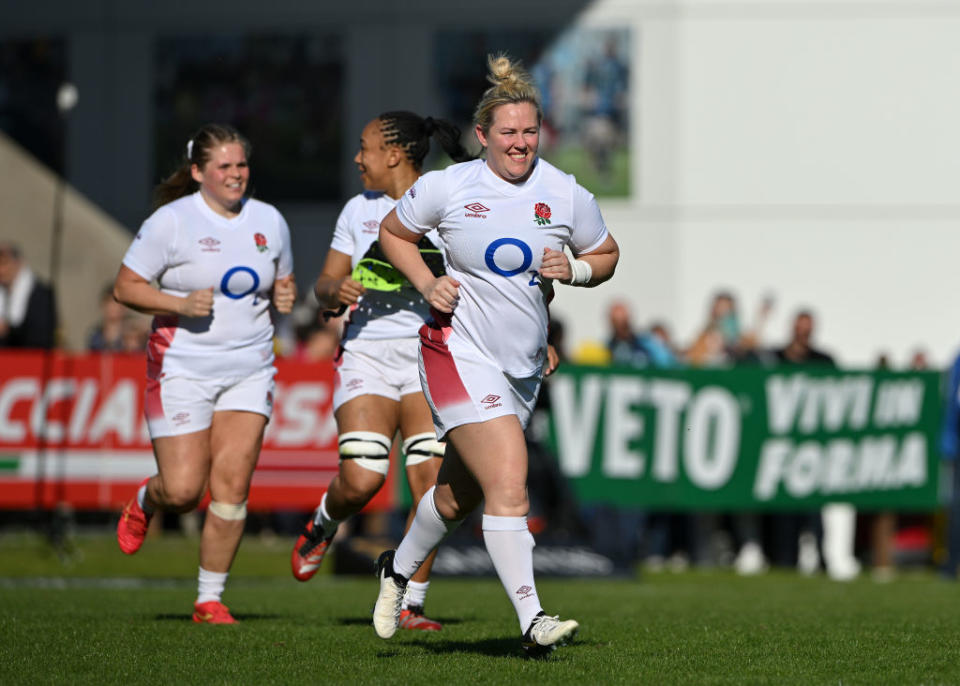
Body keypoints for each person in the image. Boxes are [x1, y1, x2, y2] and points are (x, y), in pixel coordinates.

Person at [370, 54, 619, 656]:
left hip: (524, 366)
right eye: (508, 132)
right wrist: (428, 285)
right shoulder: (448, 187)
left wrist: (580, 270)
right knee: (511, 479)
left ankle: (396, 572)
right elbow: (393, 233)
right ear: (483, 135)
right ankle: (533, 620)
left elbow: (608, 252)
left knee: (458, 495)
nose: (520, 143)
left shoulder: (564, 192)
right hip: (458, 352)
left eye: (530, 132)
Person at [289, 110, 473, 631]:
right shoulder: (358, 209)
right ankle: (324, 523)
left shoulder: (445, 201)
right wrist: (334, 290)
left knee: (430, 484)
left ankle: (410, 603)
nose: (357, 158)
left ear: (394, 154)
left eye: (364, 147)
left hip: (427, 354)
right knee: (363, 480)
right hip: (366, 353)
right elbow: (325, 281)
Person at [112, 123, 296, 624]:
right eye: (224, 167)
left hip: (251, 367)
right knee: (184, 491)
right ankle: (147, 499)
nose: (236, 176)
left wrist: (285, 295)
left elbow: (283, 281)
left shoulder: (269, 220)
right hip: (183, 367)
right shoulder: (170, 222)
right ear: (198, 172)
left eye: (241, 166)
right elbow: (125, 288)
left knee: (233, 484)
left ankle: (208, 600)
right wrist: (177, 302)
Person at [0, 242, 57, 349]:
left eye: (4, 264)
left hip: (30, 358)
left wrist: (9, 330)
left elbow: (41, 336)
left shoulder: (40, 293)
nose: (1, 270)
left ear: (18, 263)